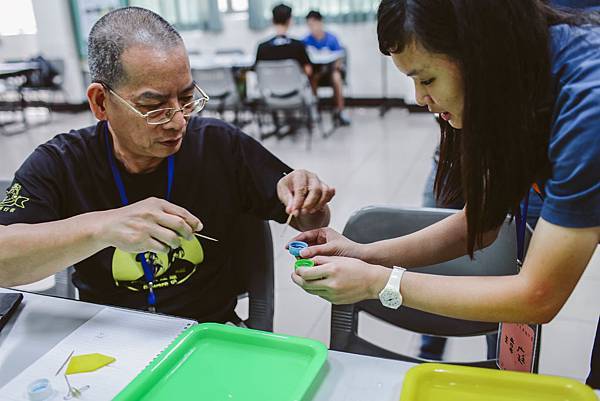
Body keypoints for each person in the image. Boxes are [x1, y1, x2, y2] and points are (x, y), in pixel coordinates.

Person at [290, 0, 600, 387]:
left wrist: (379, 283)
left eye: (427, 79)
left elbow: (539, 296)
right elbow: (481, 223)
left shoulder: (588, 99)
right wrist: (362, 253)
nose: (420, 98)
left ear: (479, 53)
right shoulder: (514, 81)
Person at [0, 6, 335, 325]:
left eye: (187, 98)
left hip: (206, 331)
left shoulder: (219, 145)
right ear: (101, 102)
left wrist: (309, 199)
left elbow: (310, 220)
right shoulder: (62, 162)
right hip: (108, 336)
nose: (178, 122)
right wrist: (101, 228)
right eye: (154, 106)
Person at [303, 10, 351, 126]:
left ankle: (340, 110)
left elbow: (339, 58)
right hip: (315, 74)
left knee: (336, 77)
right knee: (312, 77)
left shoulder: (332, 39)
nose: (312, 28)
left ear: (320, 23)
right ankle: (314, 108)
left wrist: (333, 63)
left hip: (331, 71)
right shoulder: (306, 40)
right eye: (309, 25)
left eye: (313, 24)